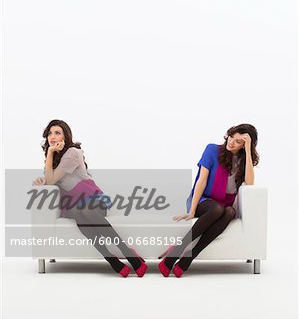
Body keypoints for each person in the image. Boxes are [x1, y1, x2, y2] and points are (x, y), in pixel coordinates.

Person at [32, 119, 148, 277]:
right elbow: (50, 179)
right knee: (79, 215)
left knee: (85, 211)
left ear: (66, 136)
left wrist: (48, 174)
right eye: (50, 133)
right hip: (73, 204)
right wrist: (43, 178)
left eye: (57, 133)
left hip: (93, 201)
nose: (52, 136)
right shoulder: (53, 159)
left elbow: (52, 179)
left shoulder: (72, 152)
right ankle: (112, 259)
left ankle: (127, 252)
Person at [158, 124, 259, 278]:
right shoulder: (212, 150)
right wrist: (192, 210)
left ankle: (188, 258)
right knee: (218, 209)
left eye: (238, 141)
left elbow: (250, 183)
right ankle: (177, 251)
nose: (231, 142)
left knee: (230, 211)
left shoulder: (243, 160)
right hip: (203, 201)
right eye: (231, 136)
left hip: (223, 204)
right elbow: (201, 181)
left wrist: (248, 150)